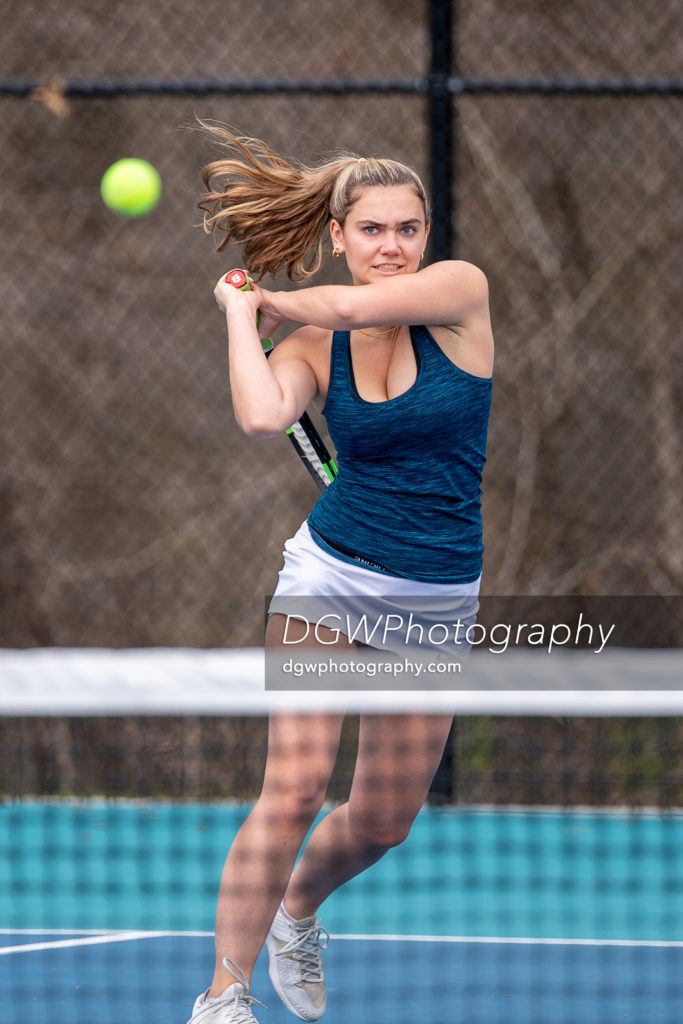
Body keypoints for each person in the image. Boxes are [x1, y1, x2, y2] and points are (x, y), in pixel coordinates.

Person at [187, 127, 494, 1024]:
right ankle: (223, 996)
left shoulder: (460, 296)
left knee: (382, 821)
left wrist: (281, 300)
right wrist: (243, 322)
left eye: (406, 228)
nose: (391, 246)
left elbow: (355, 310)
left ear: (426, 234)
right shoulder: (316, 345)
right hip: (329, 578)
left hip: (436, 594)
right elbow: (260, 413)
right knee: (292, 789)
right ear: (339, 235)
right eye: (371, 231)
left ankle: (299, 910)